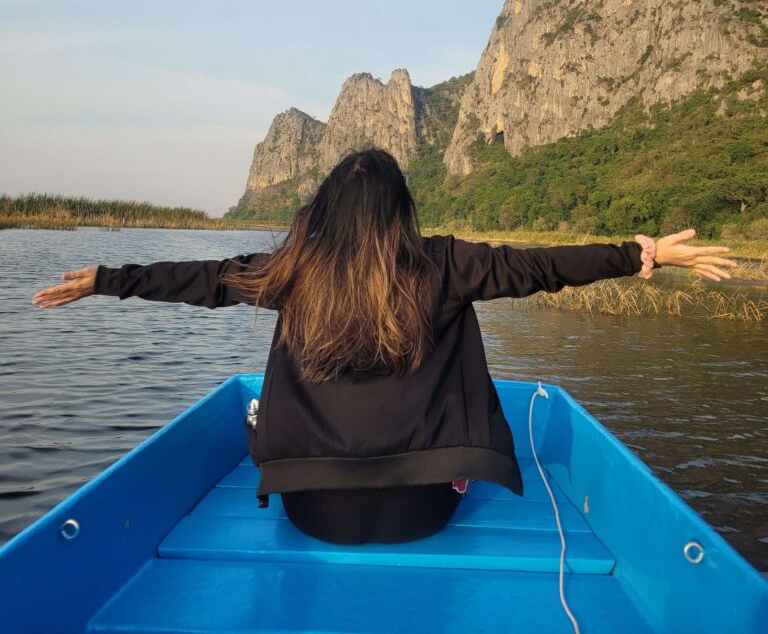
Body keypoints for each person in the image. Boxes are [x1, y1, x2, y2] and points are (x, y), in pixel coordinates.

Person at [31, 147, 737, 546]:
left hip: (311, 513)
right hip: (422, 510)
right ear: (403, 210)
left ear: (325, 212)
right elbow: (543, 266)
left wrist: (104, 280)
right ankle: (451, 466)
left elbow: (204, 281)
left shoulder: (290, 270)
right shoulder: (447, 262)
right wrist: (644, 255)